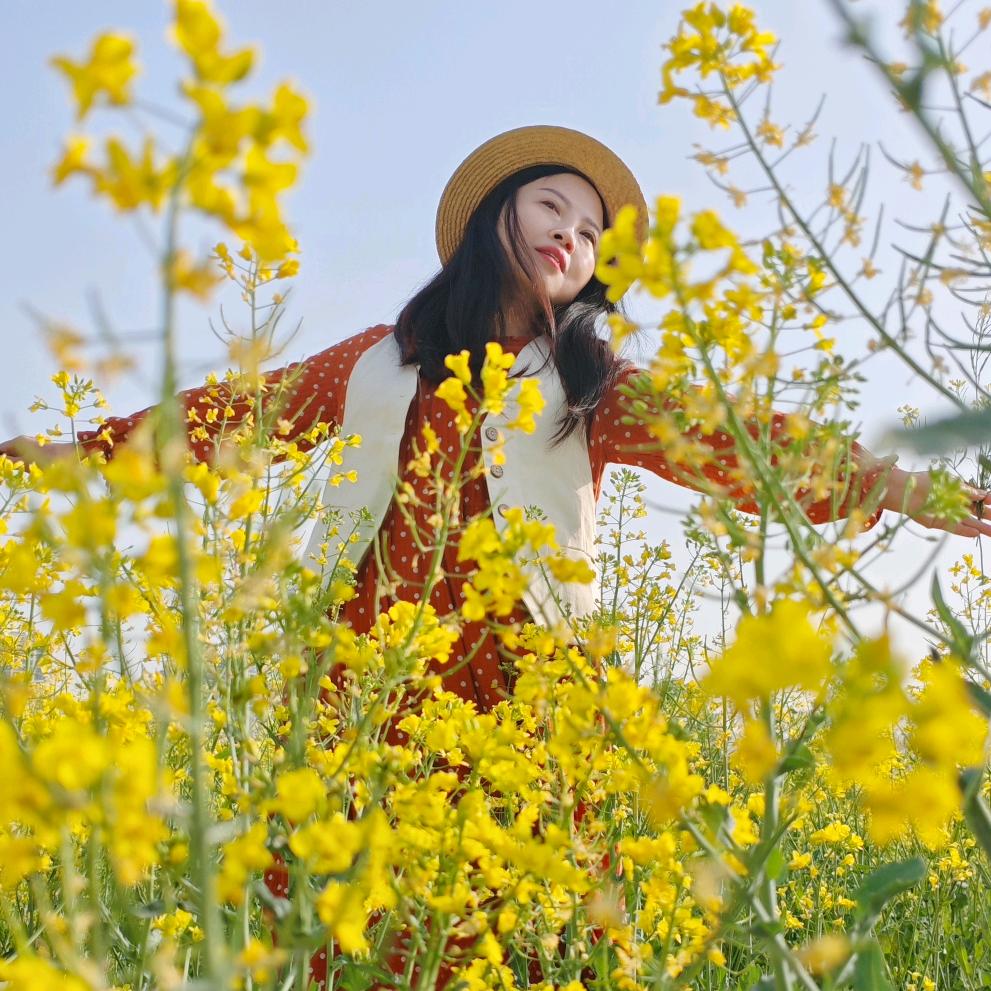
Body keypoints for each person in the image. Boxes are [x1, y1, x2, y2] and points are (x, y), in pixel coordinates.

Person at [2, 124, 989, 987]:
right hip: (363, 693)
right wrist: (72, 452)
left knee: (541, 944)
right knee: (342, 930)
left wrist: (909, 486)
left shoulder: (594, 383)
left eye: (592, 231)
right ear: (489, 227)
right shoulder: (368, 364)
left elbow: (744, 441)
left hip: (539, 705)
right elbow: (229, 417)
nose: (574, 232)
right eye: (551, 206)